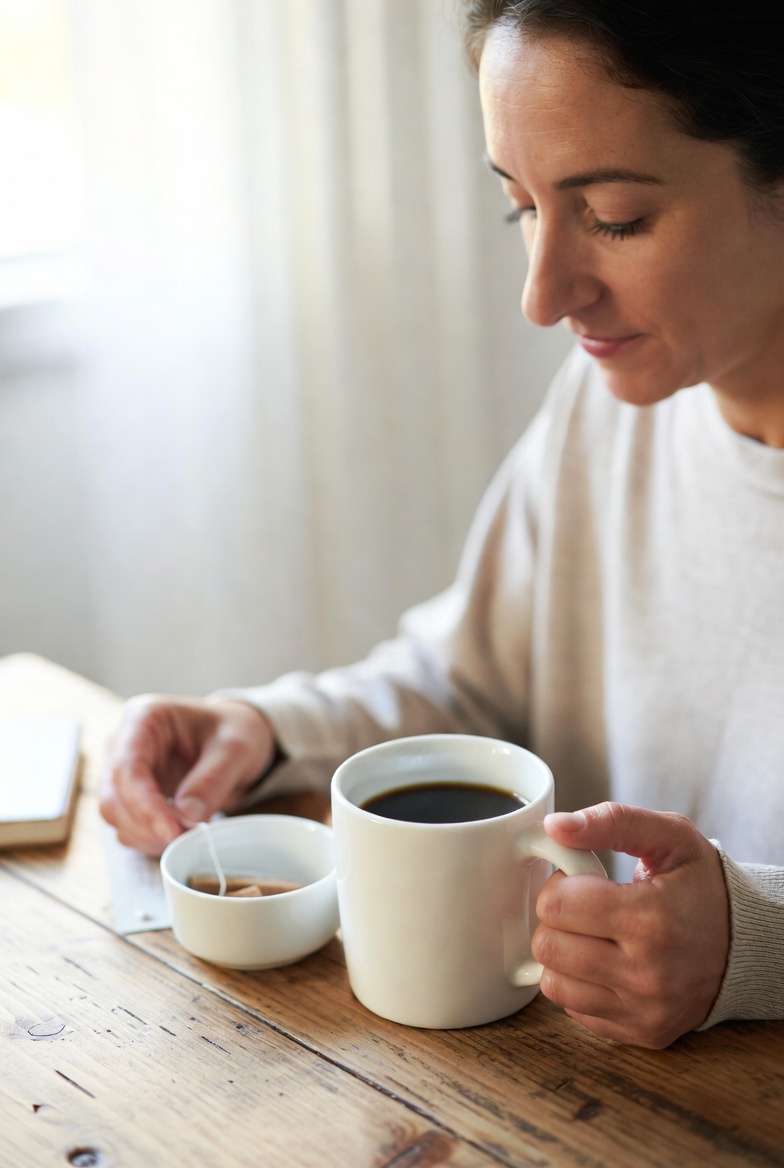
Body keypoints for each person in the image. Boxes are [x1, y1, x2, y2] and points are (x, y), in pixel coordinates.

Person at [99, 0, 784, 1048]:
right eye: (520, 208)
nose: (542, 297)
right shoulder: (611, 405)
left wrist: (754, 941)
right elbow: (469, 684)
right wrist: (268, 730)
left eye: (613, 217)